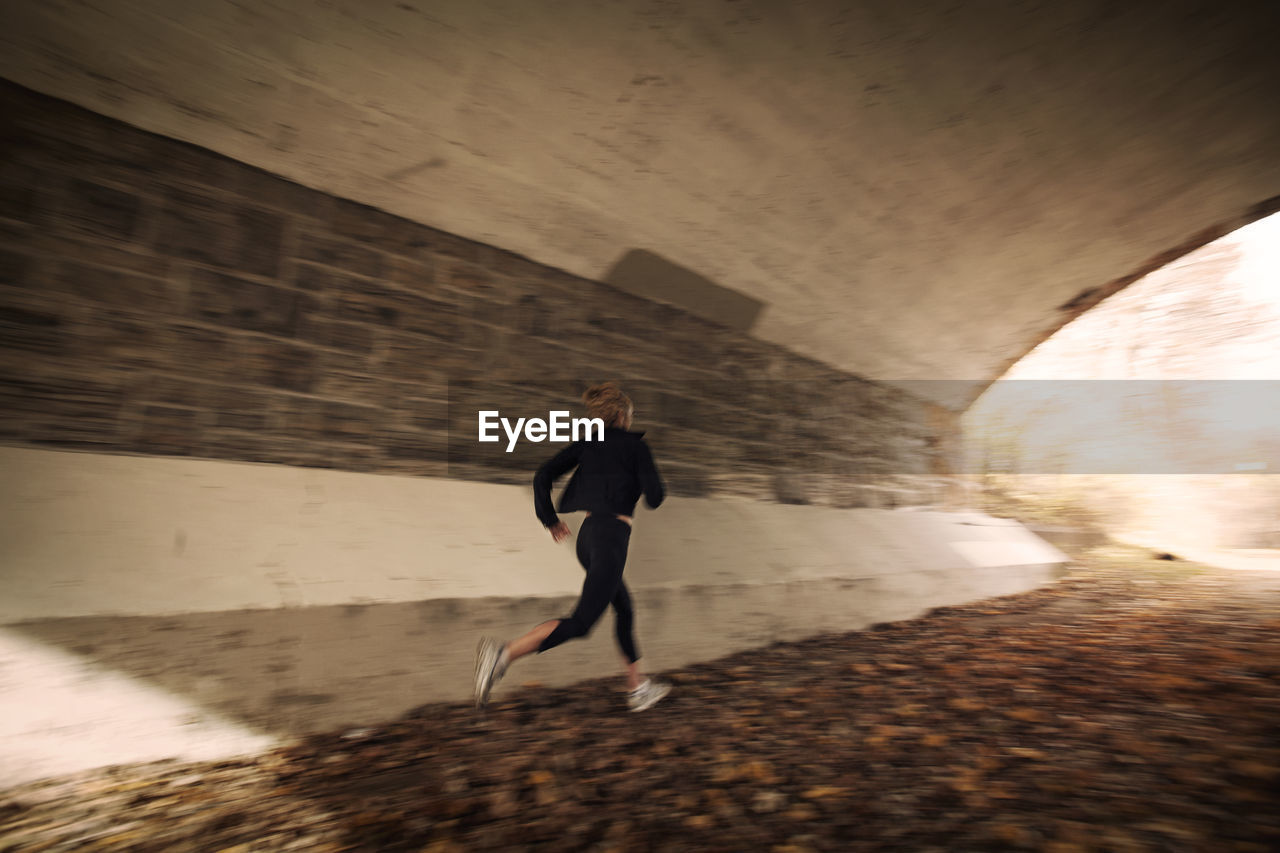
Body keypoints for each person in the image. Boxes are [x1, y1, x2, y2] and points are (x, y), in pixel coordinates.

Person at [474, 381, 672, 712]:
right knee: (581, 623)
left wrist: (549, 519)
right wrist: (643, 478)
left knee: (624, 608)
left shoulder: (588, 444)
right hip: (610, 540)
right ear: (622, 416)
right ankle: (502, 655)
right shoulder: (637, 447)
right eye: (631, 416)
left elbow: (542, 475)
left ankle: (637, 688)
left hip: (588, 538)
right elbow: (655, 498)